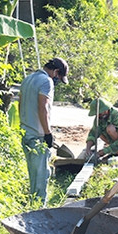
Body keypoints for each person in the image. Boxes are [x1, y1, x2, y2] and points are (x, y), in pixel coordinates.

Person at [18, 57, 69, 205]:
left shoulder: (27, 79)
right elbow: (43, 107)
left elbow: (20, 104)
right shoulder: (46, 82)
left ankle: (33, 204)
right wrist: (47, 133)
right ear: (56, 72)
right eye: (59, 77)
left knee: (33, 174)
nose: (57, 80)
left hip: (25, 133)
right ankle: (39, 209)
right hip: (37, 136)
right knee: (41, 175)